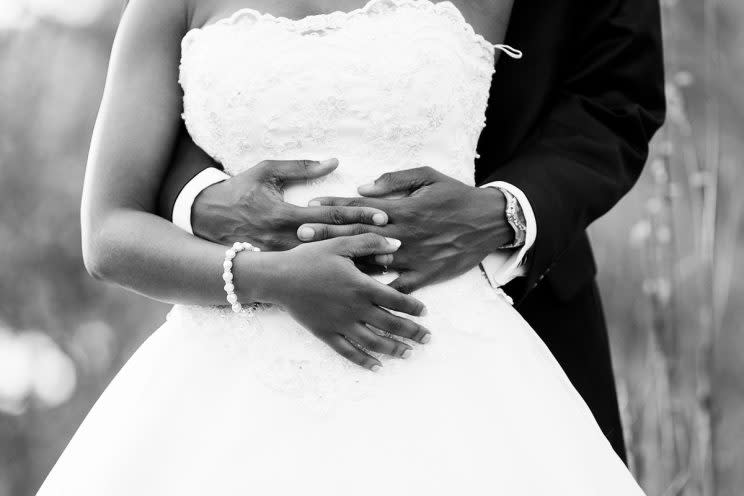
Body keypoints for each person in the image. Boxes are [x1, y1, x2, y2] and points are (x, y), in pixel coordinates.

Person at [37, 0, 662, 494]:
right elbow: (112, 222)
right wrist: (262, 270)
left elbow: (614, 94)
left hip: (459, 349)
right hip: (230, 363)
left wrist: (500, 209)